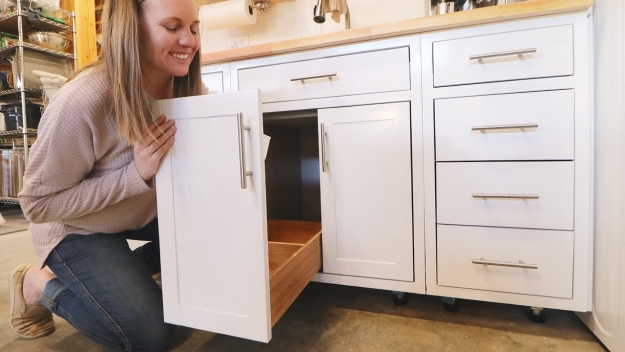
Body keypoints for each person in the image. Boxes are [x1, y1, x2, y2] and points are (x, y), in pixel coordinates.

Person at [9, 0, 203, 350]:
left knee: (217, 243)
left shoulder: (185, 87)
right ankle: (39, 284)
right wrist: (135, 174)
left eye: (194, 27)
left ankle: (116, 275)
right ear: (131, 30)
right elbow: (36, 205)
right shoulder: (84, 100)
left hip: (136, 214)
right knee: (151, 336)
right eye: (172, 28)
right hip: (74, 228)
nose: (189, 41)